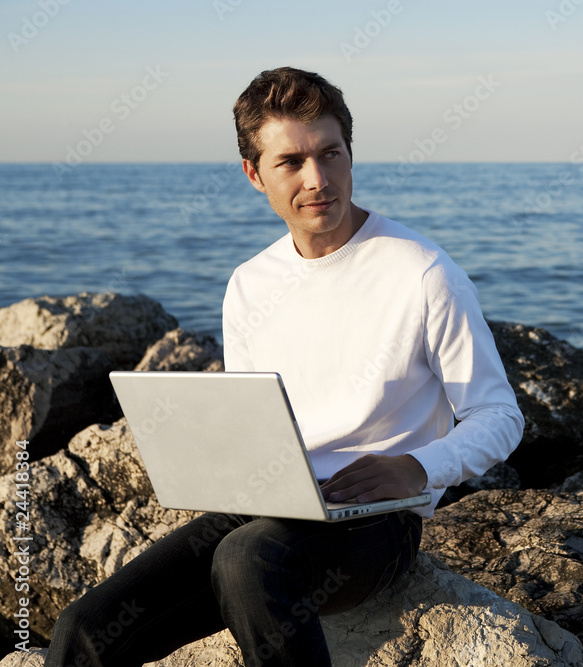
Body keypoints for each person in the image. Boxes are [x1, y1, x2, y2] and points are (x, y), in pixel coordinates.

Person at [44, 66, 524, 667]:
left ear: (351, 153)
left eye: (331, 153)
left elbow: (499, 415)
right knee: (83, 629)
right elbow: (253, 424)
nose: (318, 179)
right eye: (291, 162)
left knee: (247, 560)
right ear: (254, 174)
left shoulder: (422, 273)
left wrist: (418, 467)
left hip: (376, 522)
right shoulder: (249, 284)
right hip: (274, 505)